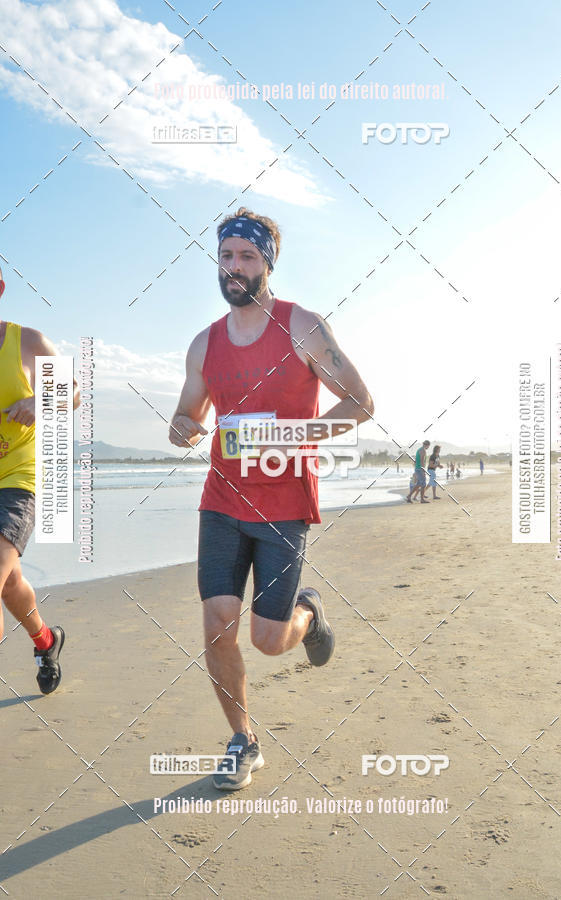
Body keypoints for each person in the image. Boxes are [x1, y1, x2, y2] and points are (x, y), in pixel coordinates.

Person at [169, 208, 374, 791]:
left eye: (247, 257)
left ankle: (307, 615)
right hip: (222, 499)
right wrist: (182, 426)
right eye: (226, 256)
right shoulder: (204, 342)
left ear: (268, 264)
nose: (234, 268)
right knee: (216, 625)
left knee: (267, 639)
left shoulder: (302, 326)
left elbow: (361, 402)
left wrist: (291, 433)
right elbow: (189, 410)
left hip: (284, 503)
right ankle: (243, 741)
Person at [0, 269, 80, 693]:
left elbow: (74, 394)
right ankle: (46, 642)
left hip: (18, 477)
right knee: (9, 582)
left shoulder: (26, 342)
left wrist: (38, 400)